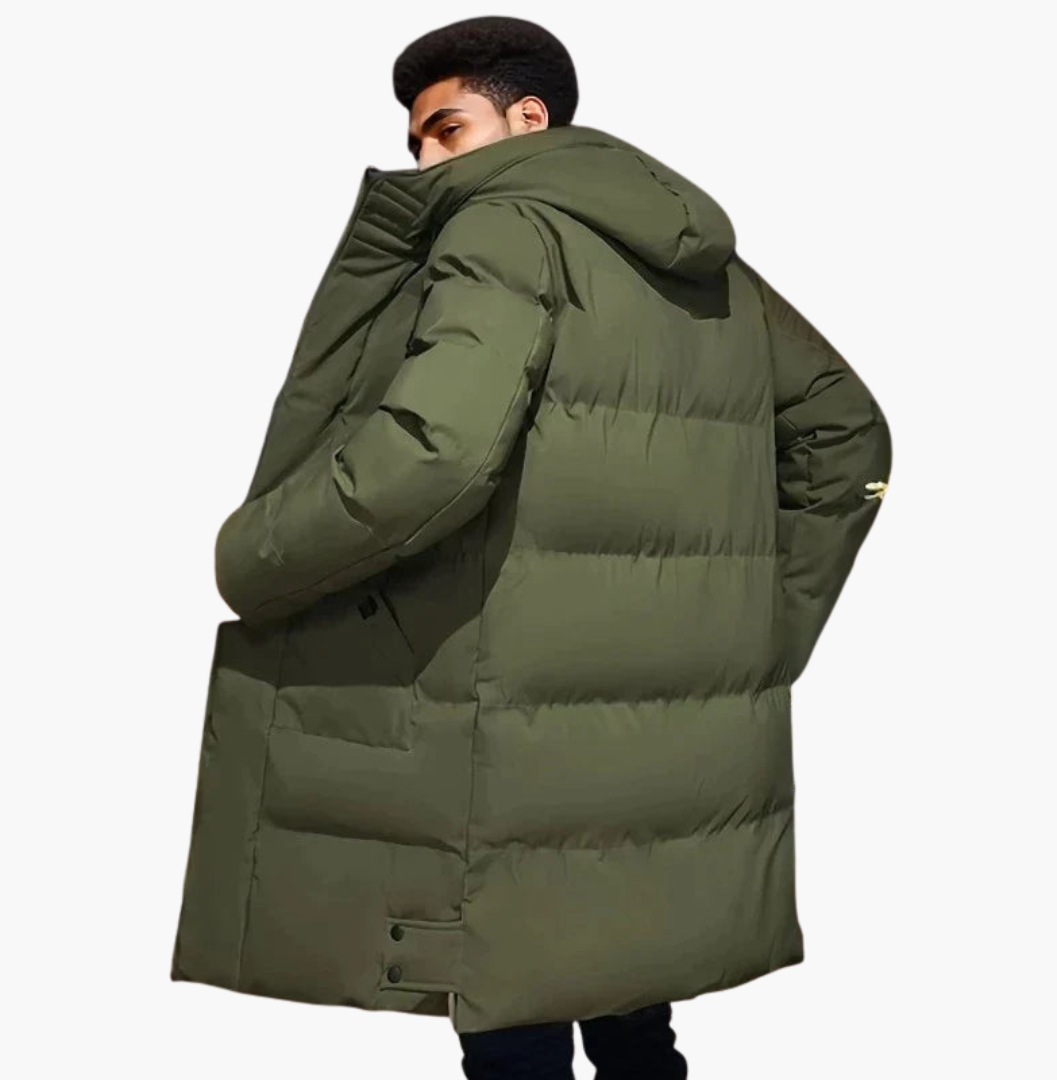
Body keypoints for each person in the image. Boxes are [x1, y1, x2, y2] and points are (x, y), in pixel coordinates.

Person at [170, 16, 892, 1080]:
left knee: (513, 1028)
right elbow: (850, 437)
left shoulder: (502, 227)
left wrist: (255, 555)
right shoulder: (708, 272)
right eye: (417, 140)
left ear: (529, 118)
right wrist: (754, 631)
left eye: (447, 129)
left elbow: (433, 451)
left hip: (505, 721)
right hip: (651, 741)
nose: (428, 158)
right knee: (631, 1007)